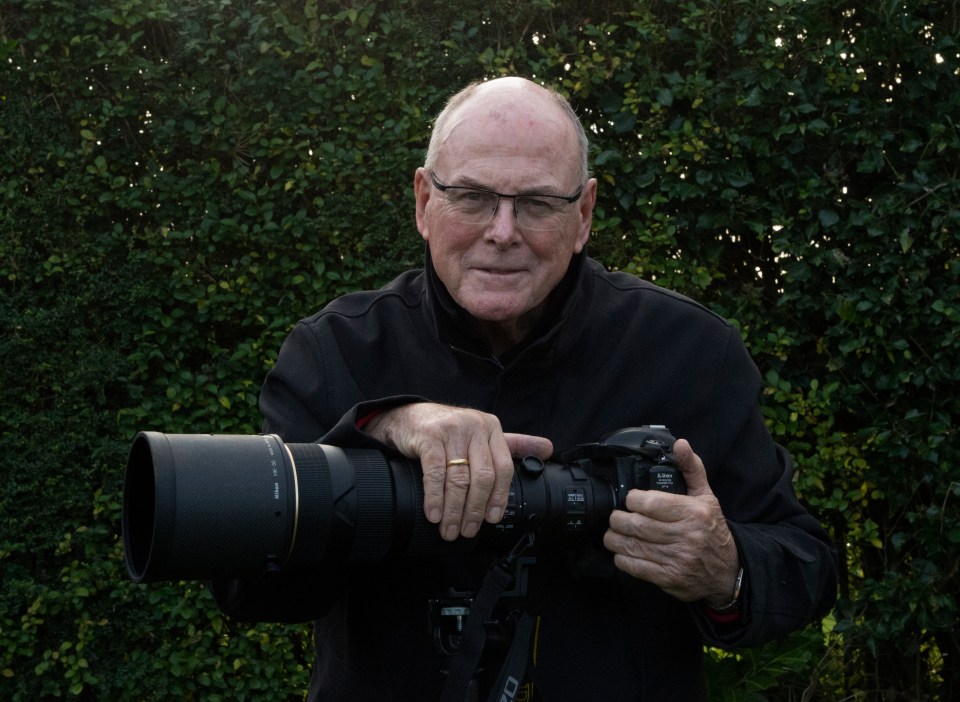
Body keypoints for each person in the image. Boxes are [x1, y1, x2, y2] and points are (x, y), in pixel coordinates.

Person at [212, 76, 837, 701]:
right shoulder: (338, 352)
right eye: (473, 197)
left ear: (584, 214)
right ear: (424, 201)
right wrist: (378, 429)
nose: (503, 231)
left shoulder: (689, 353)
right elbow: (248, 585)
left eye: (537, 203)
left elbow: (806, 565)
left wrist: (724, 569)